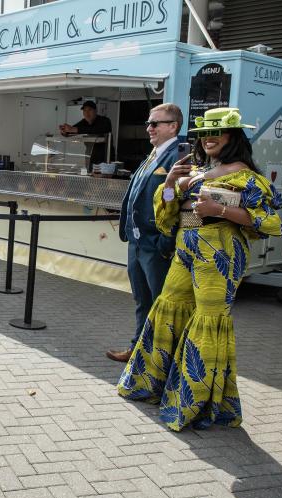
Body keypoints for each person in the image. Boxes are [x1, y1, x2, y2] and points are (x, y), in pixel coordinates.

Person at [117, 107, 282, 431]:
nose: (208, 139)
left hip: (220, 250)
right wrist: (169, 181)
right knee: (167, 307)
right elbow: (165, 205)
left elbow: (270, 221)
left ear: (233, 137)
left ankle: (196, 404)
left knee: (208, 321)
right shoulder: (198, 169)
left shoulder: (247, 177)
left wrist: (218, 209)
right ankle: (157, 385)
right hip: (185, 246)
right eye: (204, 134)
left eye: (216, 133)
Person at [107, 103, 182, 363]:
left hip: (155, 244)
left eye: (155, 123)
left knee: (161, 303)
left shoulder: (178, 157)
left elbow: (176, 201)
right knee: (142, 300)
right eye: (148, 123)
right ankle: (138, 350)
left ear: (173, 126)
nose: (148, 128)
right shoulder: (154, 153)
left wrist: (165, 243)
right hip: (138, 243)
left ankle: (161, 360)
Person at [59, 100, 113, 166]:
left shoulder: (105, 121)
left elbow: (94, 130)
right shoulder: (84, 122)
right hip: (89, 156)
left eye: (90, 110)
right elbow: (72, 130)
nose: (87, 113)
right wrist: (64, 131)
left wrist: (74, 129)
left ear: (96, 111)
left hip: (105, 158)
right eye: (84, 111)